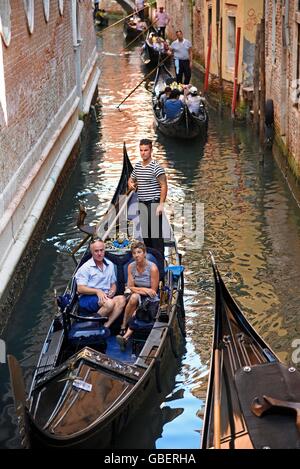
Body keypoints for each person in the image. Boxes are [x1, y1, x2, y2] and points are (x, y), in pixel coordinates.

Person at [116, 241, 159, 351]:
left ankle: (125, 335)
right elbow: (130, 287)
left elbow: (153, 292)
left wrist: (138, 290)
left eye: (139, 252)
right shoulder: (131, 266)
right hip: (137, 295)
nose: (136, 255)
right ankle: (123, 326)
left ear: (144, 253)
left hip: (150, 298)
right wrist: (144, 289)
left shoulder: (152, 268)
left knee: (139, 308)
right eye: (134, 253)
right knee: (134, 297)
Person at [128, 139, 167, 257]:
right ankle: (150, 258)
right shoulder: (138, 166)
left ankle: (159, 261)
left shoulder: (156, 167)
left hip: (153, 203)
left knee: (156, 235)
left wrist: (161, 205)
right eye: (141, 150)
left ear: (151, 150)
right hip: (142, 203)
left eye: (146, 150)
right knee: (146, 234)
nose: (143, 153)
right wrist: (130, 183)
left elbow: (164, 185)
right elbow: (131, 178)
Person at [75, 239, 126, 328]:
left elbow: (113, 283)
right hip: (87, 298)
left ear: (104, 250)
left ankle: (105, 326)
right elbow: (80, 288)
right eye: (96, 251)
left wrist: (113, 290)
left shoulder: (110, 264)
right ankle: (91, 326)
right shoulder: (86, 267)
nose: (99, 253)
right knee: (109, 303)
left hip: (105, 297)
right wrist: (97, 291)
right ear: (91, 252)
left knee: (122, 299)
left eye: (101, 250)